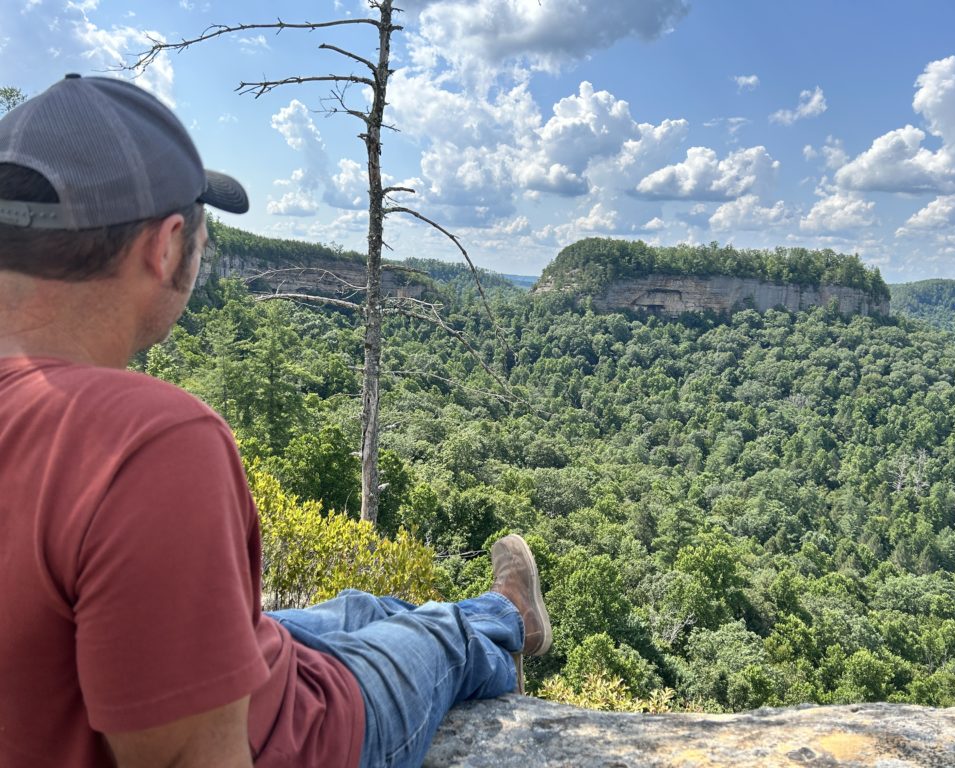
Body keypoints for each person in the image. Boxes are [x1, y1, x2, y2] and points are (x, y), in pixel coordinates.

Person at [0, 74, 552, 768]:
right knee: (441, 638)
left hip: (156, 674)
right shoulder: (148, 443)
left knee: (361, 610)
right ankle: (506, 619)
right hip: (305, 735)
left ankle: (420, 616)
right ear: (165, 246)